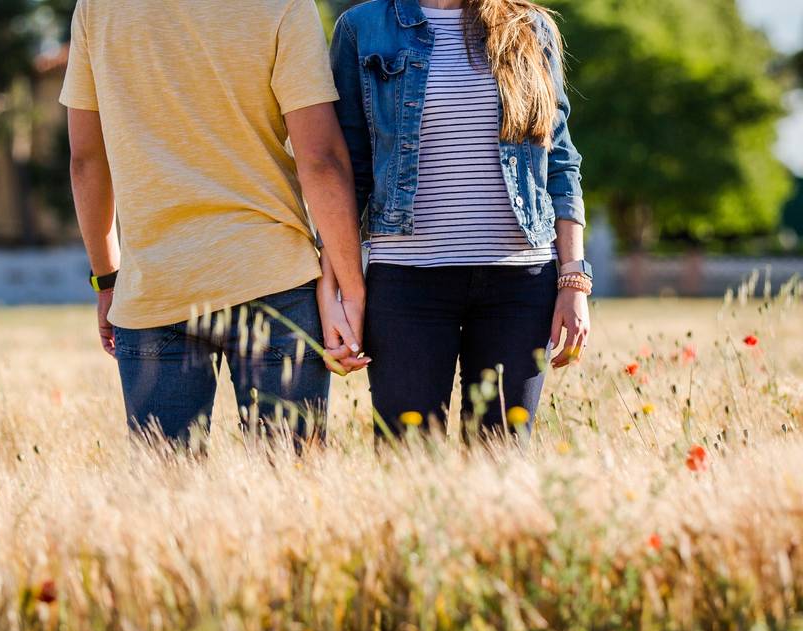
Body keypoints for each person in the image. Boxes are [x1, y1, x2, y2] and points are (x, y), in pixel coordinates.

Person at [60, 0, 368, 444]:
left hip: (155, 286)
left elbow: (86, 161)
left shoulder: (98, 8)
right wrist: (348, 287)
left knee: (167, 490)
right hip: (273, 277)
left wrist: (107, 281)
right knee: (291, 481)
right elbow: (319, 159)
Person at [329, 0, 591, 437]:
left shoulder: (531, 27)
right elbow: (345, 172)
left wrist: (573, 281)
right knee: (406, 458)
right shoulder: (362, 28)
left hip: (519, 284)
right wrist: (336, 289)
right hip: (406, 281)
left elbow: (560, 163)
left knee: (500, 460)